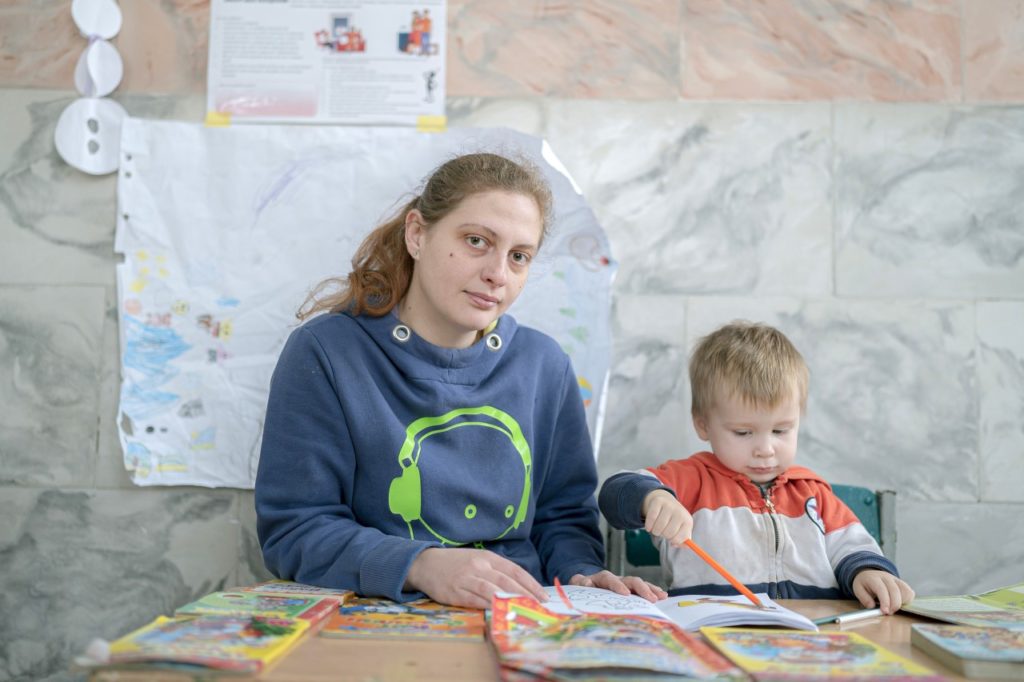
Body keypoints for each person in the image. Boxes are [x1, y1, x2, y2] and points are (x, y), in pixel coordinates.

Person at [255, 152, 665, 610]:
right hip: (379, 621)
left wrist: (582, 574)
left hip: (522, 619)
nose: (497, 274)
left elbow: (563, 518)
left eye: (518, 257)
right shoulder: (326, 353)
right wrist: (422, 564)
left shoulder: (543, 365)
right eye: (476, 241)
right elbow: (296, 528)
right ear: (417, 234)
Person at [598, 321, 915, 614]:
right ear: (703, 424)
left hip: (813, 635)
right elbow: (616, 492)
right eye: (743, 432)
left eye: (781, 431)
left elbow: (852, 548)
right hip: (712, 632)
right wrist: (654, 499)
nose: (765, 449)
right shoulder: (688, 481)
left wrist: (868, 572)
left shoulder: (812, 493)